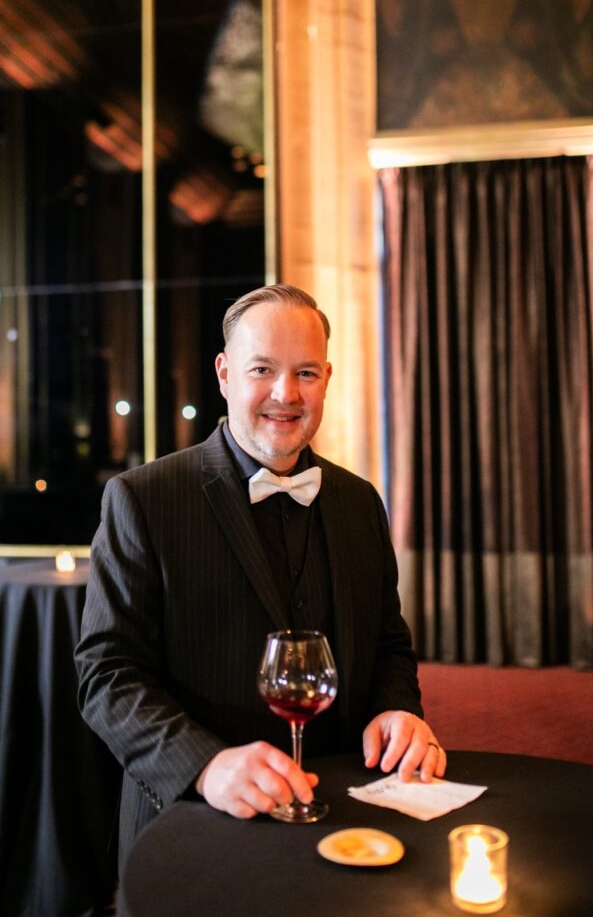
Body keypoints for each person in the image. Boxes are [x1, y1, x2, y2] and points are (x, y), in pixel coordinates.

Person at [75, 284, 445, 864]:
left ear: (327, 378)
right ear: (224, 375)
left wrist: (398, 709)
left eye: (305, 373)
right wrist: (205, 765)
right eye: (262, 369)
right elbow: (107, 675)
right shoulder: (143, 499)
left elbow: (388, 643)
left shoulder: (359, 501)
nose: (285, 394)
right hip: (195, 826)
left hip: (344, 815)